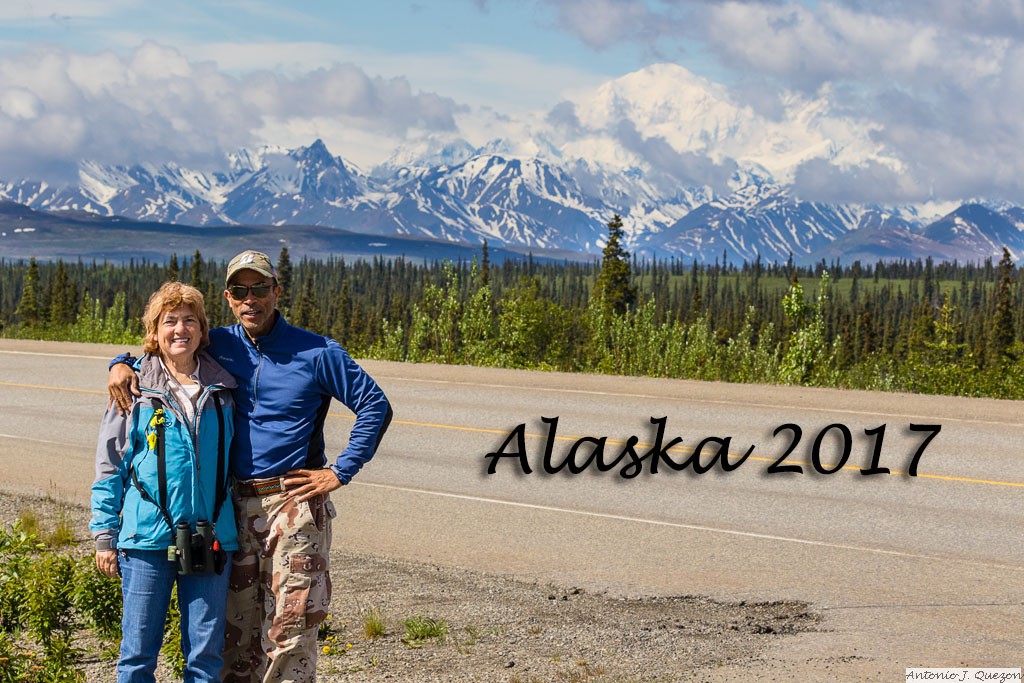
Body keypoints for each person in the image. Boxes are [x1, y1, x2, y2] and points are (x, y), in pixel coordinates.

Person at [108, 250, 393, 683]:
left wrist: (340, 471)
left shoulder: (317, 351)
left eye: (260, 288)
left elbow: (374, 403)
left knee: (290, 628)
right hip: (233, 507)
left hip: (292, 504)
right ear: (228, 297)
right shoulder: (217, 344)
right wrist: (119, 365)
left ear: (276, 291)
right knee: (234, 636)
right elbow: (164, 351)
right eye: (240, 290)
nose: (250, 299)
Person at [92, 281, 238, 683]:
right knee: (137, 657)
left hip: (210, 537)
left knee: (206, 660)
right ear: (154, 332)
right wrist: (104, 533)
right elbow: (110, 466)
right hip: (145, 541)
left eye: (190, 320)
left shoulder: (224, 386)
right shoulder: (133, 387)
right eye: (169, 321)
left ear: (203, 330)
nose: (180, 329)